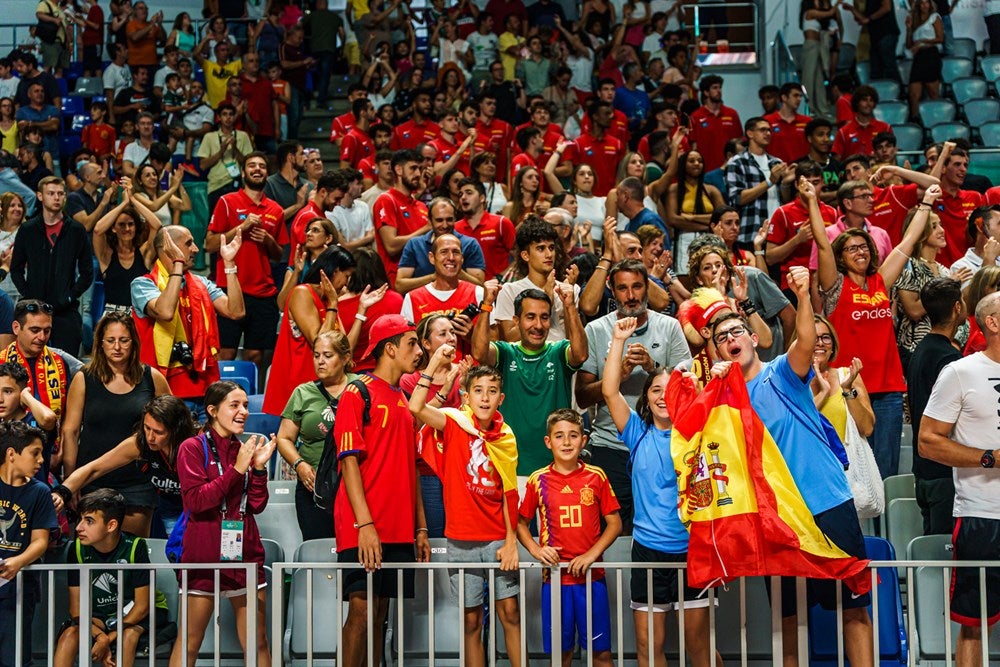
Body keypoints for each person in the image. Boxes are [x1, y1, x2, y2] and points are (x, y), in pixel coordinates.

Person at [711, 263, 874, 667]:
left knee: (852, 605)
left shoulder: (781, 373)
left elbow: (804, 340)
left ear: (753, 338)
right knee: (788, 615)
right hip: (777, 517)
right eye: (720, 338)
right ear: (715, 351)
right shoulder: (723, 397)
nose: (730, 340)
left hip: (826, 501)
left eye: (736, 332)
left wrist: (803, 294)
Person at [601, 316, 717, 667]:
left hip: (693, 550)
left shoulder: (698, 433)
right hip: (648, 553)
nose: (663, 396)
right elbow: (609, 390)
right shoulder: (637, 434)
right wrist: (619, 339)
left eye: (671, 389)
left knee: (698, 647)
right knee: (649, 648)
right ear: (646, 399)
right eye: (655, 390)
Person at [811, 177, 933, 479]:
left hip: (889, 388)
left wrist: (927, 202)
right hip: (848, 386)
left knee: (886, 470)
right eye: (851, 248)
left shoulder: (881, 281)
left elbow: (907, 242)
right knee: (851, 466)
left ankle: (886, 528)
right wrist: (813, 201)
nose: (860, 252)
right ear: (841, 257)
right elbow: (823, 246)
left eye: (863, 246)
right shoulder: (835, 286)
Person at [409, 352, 524, 667]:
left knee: (510, 613)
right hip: (461, 539)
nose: (485, 397)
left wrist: (512, 541)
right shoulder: (454, 422)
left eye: (491, 391)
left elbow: (508, 493)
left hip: (499, 539)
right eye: (478, 390)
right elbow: (416, 407)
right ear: (467, 395)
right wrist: (433, 366)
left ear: (501, 398)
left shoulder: (506, 436)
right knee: (472, 620)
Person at [334, 315, 431, 667]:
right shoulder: (356, 392)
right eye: (411, 344)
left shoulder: (404, 399)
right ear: (389, 348)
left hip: (398, 525)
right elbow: (348, 463)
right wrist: (365, 525)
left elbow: (412, 468)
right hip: (364, 525)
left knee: (379, 616)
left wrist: (420, 527)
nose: (419, 352)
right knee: (360, 613)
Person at [575, 260, 691, 533]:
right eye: (623, 288)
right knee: (610, 533)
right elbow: (582, 397)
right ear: (611, 291)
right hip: (610, 446)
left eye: (637, 286)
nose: (631, 295)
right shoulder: (596, 330)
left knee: (662, 526)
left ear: (647, 288)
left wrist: (653, 368)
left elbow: (688, 386)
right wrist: (618, 376)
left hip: (661, 446)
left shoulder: (670, 327)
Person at [919, 289, 1000, 667]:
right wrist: (989, 458)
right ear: (993, 323)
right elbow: (927, 442)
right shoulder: (960, 372)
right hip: (982, 515)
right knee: (974, 624)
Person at [171, 382, 276, 667]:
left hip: (245, 553)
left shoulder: (242, 448)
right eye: (235, 405)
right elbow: (196, 501)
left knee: (257, 643)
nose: (243, 412)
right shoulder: (191, 447)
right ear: (213, 411)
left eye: (245, 406)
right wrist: (238, 469)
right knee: (189, 643)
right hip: (203, 554)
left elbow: (256, 505)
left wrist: (258, 469)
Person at [517, 408, 621, 667]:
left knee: (601, 654)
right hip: (554, 580)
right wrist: (536, 550)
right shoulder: (537, 480)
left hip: (592, 578)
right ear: (548, 441)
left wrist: (591, 554)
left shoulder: (596, 476)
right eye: (559, 436)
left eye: (573, 435)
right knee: (561, 654)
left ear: (583, 440)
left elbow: (615, 523)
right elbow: (520, 523)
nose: (566, 442)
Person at [60, 311, 170, 536]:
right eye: (111, 340)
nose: (117, 347)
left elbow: (173, 424)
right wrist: (72, 482)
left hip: (138, 481)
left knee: (132, 554)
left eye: (124, 340)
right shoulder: (84, 378)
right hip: (91, 480)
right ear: (100, 343)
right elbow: (70, 432)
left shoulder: (153, 378)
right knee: (93, 557)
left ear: (134, 342)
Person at [474, 279, 587, 477]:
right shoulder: (505, 352)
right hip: (511, 468)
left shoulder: (558, 351)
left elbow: (581, 354)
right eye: (530, 317)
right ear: (516, 320)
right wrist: (486, 306)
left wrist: (569, 306)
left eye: (544, 317)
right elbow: (479, 353)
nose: (538, 325)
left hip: (555, 470)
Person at [131, 226, 244, 416]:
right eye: (188, 243)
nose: (196, 249)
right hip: (165, 395)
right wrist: (177, 263)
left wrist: (229, 264)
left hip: (207, 392)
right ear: (169, 247)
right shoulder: (143, 284)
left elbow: (236, 311)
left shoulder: (202, 284)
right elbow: (165, 311)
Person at [52, 395, 198, 536]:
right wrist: (62, 492)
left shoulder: (197, 445)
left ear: (176, 431)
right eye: (147, 428)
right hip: (167, 510)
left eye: (158, 432)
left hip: (199, 511)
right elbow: (94, 469)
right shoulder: (140, 443)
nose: (150, 437)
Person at [54, 488, 162, 667]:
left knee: (128, 637)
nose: (79, 527)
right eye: (80, 519)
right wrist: (99, 636)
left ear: (111, 525)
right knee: (69, 635)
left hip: (136, 613)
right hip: (101, 616)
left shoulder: (136, 546)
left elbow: (142, 606)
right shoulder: (77, 549)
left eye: (89, 521)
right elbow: (76, 610)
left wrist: (107, 639)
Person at [263, 248, 378, 416]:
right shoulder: (302, 293)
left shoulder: (330, 301)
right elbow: (318, 342)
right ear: (336, 270)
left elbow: (346, 349)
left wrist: (361, 311)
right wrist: (332, 304)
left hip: (324, 386)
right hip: (299, 387)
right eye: (346, 276)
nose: (347, 283)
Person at [206, 152, 288, 368]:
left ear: (267, 174)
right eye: (252, 165)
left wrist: (268, 240)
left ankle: (250, 399)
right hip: (229, 290)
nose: (257, 169)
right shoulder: (226, 202)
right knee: (225, 353)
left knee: (255, 357)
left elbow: (279, 255)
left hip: (263, 293)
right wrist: (241, 228)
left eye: (262, 166)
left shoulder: (276, 210)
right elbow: (210, 244)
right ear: (243, 172)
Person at [276, 331, 357, 541]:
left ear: (345, 358)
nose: (320, 361)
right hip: (313, 485)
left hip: (355, 485)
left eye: (328, 355)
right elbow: (284, 438)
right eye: (316, 355)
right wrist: (299, 465)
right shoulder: (303, 393)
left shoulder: (362, 387)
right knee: (317, 549)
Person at [11, 177, 94, 355]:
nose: (56, 197)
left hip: (66, 310)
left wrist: (70, 296)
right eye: (51, 193)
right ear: (40, 196)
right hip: (33, 310)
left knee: (68, 365)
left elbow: (87, 272)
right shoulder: (28, 229)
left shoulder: (76, 230)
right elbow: (16, 269)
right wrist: (29, 295)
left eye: (60, 193)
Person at [905, 277, 963, 535]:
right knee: (945, 556)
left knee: (934, 551)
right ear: (957, 307)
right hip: (943, 472)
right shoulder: (948, 358)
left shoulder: (921, 350)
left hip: (925, 471)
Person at [0, 421, 57, 667]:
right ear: (12, 454)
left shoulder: (40, 492)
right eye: (35, 453)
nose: (42, 460)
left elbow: (40, 541)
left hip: (19, 589)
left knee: (14, 657)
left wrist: (18, 562)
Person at [0, 299, 77, 481]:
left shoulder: (61, 362)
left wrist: (60, 451)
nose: (42, 337)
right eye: (35, 330)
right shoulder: (2, 363)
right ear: (17, 328)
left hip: (52, 453)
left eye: (47, 331)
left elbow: (67, 417)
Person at [492, 218, 581, 342]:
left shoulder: (570, 288)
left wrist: (568, 302)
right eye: (540, 249)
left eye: (551, 248)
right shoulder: (509, 291)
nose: (549, 254)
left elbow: (573, 341)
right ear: (525, 255)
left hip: (560, 358)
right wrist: (547, 298)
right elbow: (510, 339)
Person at [725, 116, 796, 250]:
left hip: (777, 232)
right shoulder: (737, 162)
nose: (768, 133)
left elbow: (786, 200)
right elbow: (738, 198)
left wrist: (786, 183)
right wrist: (769, 181)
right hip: (750, 232)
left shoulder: (776, 162)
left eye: (769, 130)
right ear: (750, 133)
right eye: (763, 130)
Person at [93, 185, 163, 313]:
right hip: (111, 315)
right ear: (113, 228)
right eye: (121, 224)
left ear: (136, 227)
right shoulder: (107, 255)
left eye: (131, 224)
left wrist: (133, 200)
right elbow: (98, 230)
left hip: (139, 315)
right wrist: (123, 204)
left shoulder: (143, 253)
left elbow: (157, 225)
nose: (127, 229)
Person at [810, 314, 876, 450]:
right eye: (813, 338)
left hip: (847, 466)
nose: (820, 343)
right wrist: (823, 392)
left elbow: (867, 428)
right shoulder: (790, 381)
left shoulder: (848, 376)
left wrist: (847, 390)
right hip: (810, 462)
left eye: (826, 338)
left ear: (833, 346)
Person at [373, 149, 432, 286]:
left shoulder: (421, 206)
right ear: (398, 170)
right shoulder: (386, 200)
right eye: (413, 168)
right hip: (396, 283)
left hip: (422, 282)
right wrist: (426, 229)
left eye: (420, 169)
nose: (418, 174)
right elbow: (391, 246)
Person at [455, 178, 518, 280]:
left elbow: (519, 256)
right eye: (460, 194)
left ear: (482, 198)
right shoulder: (455, 228)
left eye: (469, 193)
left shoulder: (501, 223)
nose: (463, 197)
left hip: (498, 289)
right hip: (468, 289)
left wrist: (501, 277)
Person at [688, 74, 743, 173]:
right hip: (706, 170)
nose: (719, 91)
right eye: (714, 88)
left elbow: (740, 142)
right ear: (706, 92)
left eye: (720, 88)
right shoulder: (695, 116)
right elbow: (693, 147)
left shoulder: (732, 114)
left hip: (731, 169)